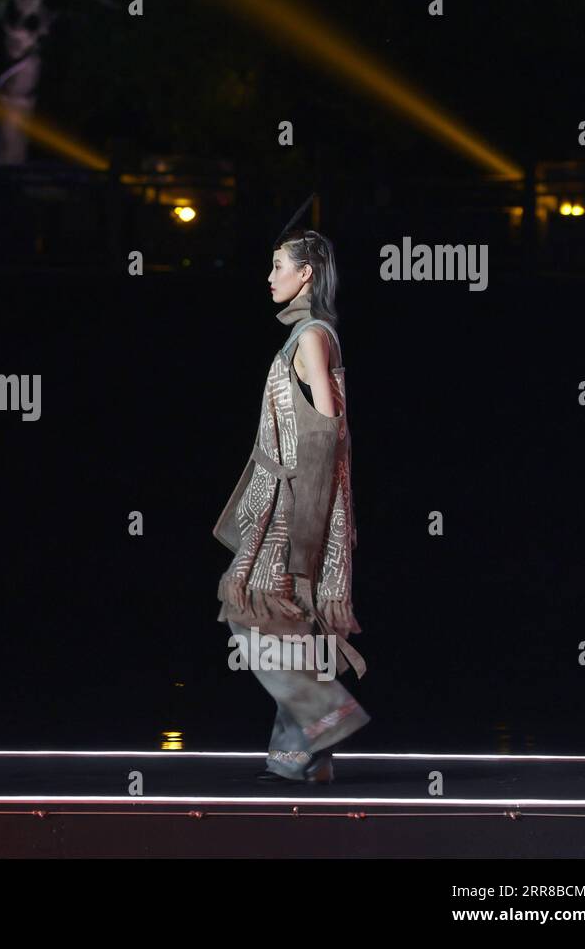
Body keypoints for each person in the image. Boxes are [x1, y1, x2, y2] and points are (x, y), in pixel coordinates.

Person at [212, 225, 369, 784]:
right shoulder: (309, 335)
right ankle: (301, 758)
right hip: (294, 499)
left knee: (251, 616)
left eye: (280, 265)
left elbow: (327, 429)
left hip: (294, 506)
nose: (270, 275)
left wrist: (308, 521)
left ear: (305, 274)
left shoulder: (310, 336)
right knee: (286, 628)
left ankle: (328, 711)